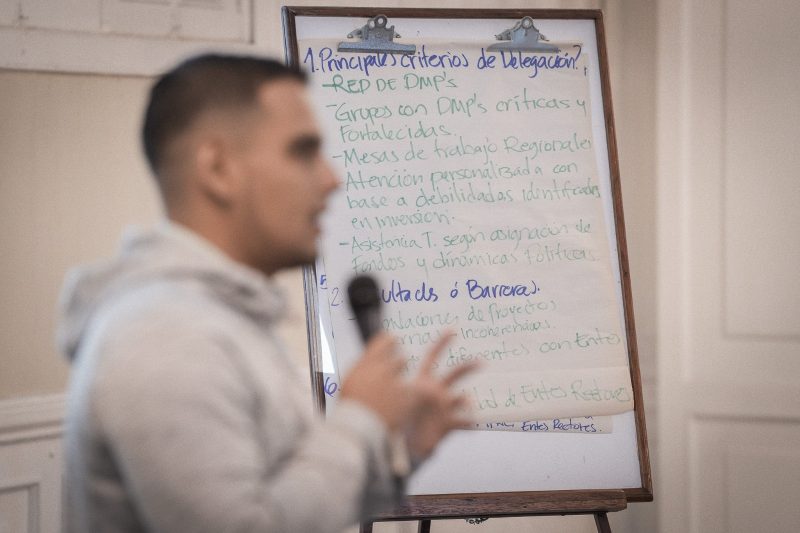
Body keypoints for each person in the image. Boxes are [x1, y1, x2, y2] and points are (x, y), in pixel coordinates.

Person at [57, 54, 475, 533]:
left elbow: (290, 504)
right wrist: (360, 417)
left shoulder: (218, 317)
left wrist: (402, 450)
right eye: (303, 151)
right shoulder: (165, 335)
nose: (332, 178)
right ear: (218, 169)